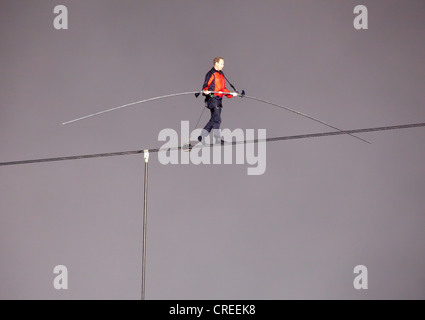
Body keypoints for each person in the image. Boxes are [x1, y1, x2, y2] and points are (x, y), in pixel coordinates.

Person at [198, 57, 238, 145]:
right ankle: (217, 139)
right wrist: (205, 91)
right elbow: (205, 86)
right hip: (212, 99)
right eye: (221, 64)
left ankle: (202, 136)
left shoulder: (221, 74)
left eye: (223, 64)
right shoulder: (211, 74)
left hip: (219, 100)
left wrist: (231, 94)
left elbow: (223, 88)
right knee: (217, 120)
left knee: (214, 119)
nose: (223, 66)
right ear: (216, 63)